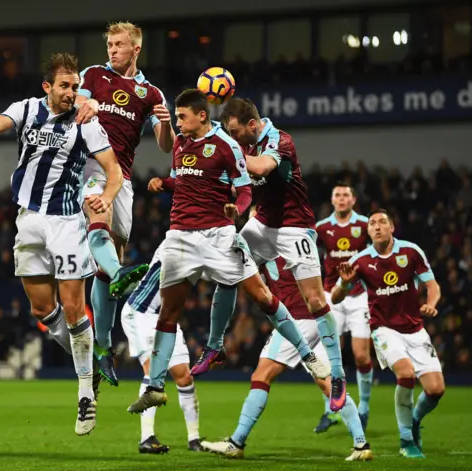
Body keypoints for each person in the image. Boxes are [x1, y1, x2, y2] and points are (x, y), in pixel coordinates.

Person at [127, 89, 328, 414]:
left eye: (182, 117)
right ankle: (154, 387)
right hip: (180, 236)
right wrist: (163, 184)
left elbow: (246, 189)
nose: (177, 123)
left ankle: (306, 353)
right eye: (176, 117)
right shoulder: (180, 145)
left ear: (201, 116)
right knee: (167, 313)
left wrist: (238, 208)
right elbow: (185, 181)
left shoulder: (227, 145)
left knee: (262, 296)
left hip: (218, 236)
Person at [0, 53, 123, 436]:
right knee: (42, 308)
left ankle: (85, 395)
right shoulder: (27, 109)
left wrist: (108, 197)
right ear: (47, 87)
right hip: (28, 221)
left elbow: (113, 170)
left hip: (66, 222)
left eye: (75, 87)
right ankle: (92, 364)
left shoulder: (87, 123)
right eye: (64, 86)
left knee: (72, 308)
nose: (71, 93)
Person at [196, 97, 347, 411]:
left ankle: (338, 375)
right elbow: (240, 185)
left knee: (316, 301)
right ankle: (215, 345)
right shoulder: (243, 143)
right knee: (227, 265)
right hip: (262, 224)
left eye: (236, 133)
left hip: (295, 228)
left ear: (252, 125)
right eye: (229, 134)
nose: (234, 138)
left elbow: (264, 167)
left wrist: (226, 146)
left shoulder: (280, 140)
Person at [75, 21, 175, 386]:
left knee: (109, 260)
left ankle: (102, 347)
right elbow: (76, 99)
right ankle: (121, 276)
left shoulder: (150, 93)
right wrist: (83, 101)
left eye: (119, 45)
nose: (112, 50)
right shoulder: (93, 75)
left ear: (136, 49)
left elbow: (165, 146)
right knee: (97, 222)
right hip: (89, 166)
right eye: (109, 44)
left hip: (123, 177)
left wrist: (166, 124)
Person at [201, 254, 373, 461]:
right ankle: (361, 444)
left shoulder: (264, 243)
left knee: (261, 375)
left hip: (295, 319)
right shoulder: (290, 243)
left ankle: (236, 443)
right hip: (318, 318)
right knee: (328, 383)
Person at [331, 209, 445, 459]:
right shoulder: (360, 260)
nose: (377, 226)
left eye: (383, 222)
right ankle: (406, 440)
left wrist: (431, 303)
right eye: (372, 223)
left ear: (392, 228)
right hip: (384, 329)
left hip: (415, 330)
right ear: (368, 231)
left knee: (436, 390)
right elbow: (336, 297)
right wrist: (347, 283)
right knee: (405, 374)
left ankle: (414, 420)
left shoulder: (411, 252)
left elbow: (432, 285)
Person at [121, 240, 203, 454]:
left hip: (166, 318)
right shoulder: (173, 242)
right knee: (152, 369)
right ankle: (146, 438)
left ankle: (194, 439)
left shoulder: (201, 244)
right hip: (140, 313)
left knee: (184, 376)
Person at [314, 183, 372, 432]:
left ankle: (364, 408)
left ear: (353, 200)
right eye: (337, 194)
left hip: (359, 296)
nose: (341, 198)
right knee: (328, 357)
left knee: (360, 355)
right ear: (332, 199)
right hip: (330, 295)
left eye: (345, 195)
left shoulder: (365, 225)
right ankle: (330, 410)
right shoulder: (322, 227)